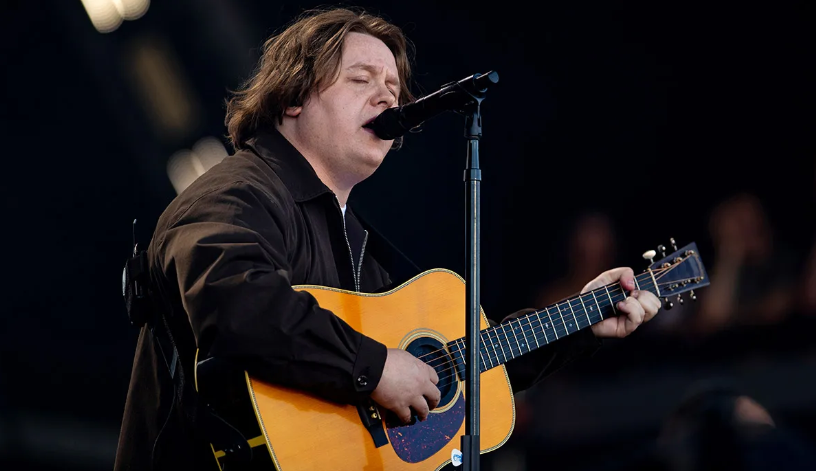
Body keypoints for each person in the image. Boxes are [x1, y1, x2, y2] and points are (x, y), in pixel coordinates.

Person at [113, 7, 661, 470]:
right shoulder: (236, 193)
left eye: (393, 87)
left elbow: (462, 369)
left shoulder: (357, 244)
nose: (387, 99)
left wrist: (582, 321)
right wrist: (374, 368)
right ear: (293, 98)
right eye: (362, 80)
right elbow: (237, 305)